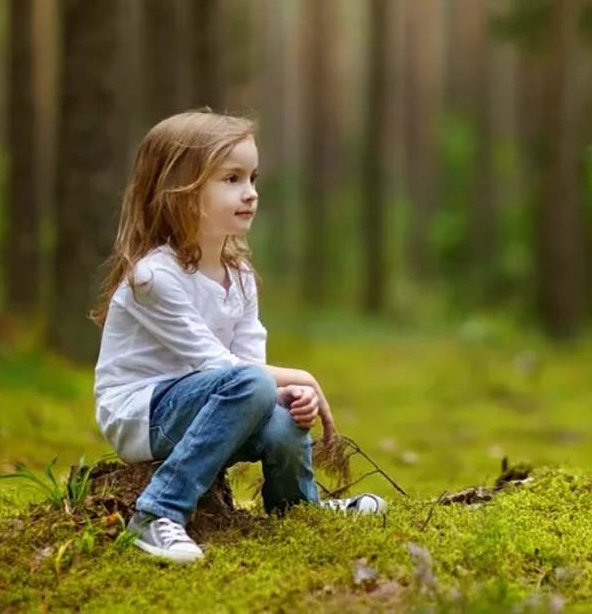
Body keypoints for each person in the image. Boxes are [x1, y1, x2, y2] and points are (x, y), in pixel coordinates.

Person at [91, 110, 386, 564]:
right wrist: (299, 376)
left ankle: (297, 507)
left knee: (282, 410)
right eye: (230, 179)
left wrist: (288, 394)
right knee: (257, 384)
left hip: (212, 400)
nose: (250, 193)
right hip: (141, 415)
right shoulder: (154, 276)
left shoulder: (240, 275)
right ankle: (157, 512)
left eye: (252, 178)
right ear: (180, 189)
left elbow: (249, 366)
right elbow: (223, 367)